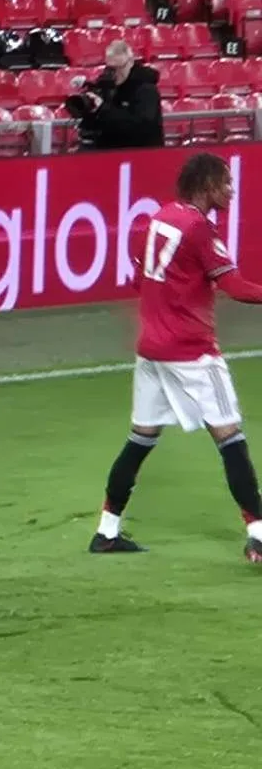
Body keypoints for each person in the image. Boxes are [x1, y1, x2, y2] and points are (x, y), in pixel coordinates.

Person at [90, 152, 262, 559]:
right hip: (191, 353)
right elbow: (234, 286)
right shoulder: (199, 229)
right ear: (206, 186)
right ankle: (259, 534)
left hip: (151, 350)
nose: (231, 191)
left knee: (140, 438)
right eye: (225, 183)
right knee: (230, 439)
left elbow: (139, 279)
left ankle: (106, 531)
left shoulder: (159, 218)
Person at [69, 39, 164, 150]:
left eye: (119, 68)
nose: (115, 74)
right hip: (111, 152)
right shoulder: (106, 85)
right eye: (111, 68)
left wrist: (103, 109)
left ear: (130, 62)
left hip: (141, 153)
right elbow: (100, 125)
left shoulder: (146, 89)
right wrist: (90, 112)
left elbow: (139, 126)